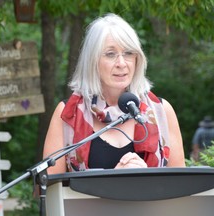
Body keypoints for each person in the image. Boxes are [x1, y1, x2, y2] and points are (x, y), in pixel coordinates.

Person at [43, 13, 185, 174]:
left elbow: (180, 188)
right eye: (111, 54)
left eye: (128, 53)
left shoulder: (162, 111)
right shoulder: (68, 114)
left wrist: (146, 178)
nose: (122, 63)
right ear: (92, 61)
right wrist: (113, 181)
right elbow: (51, 191)